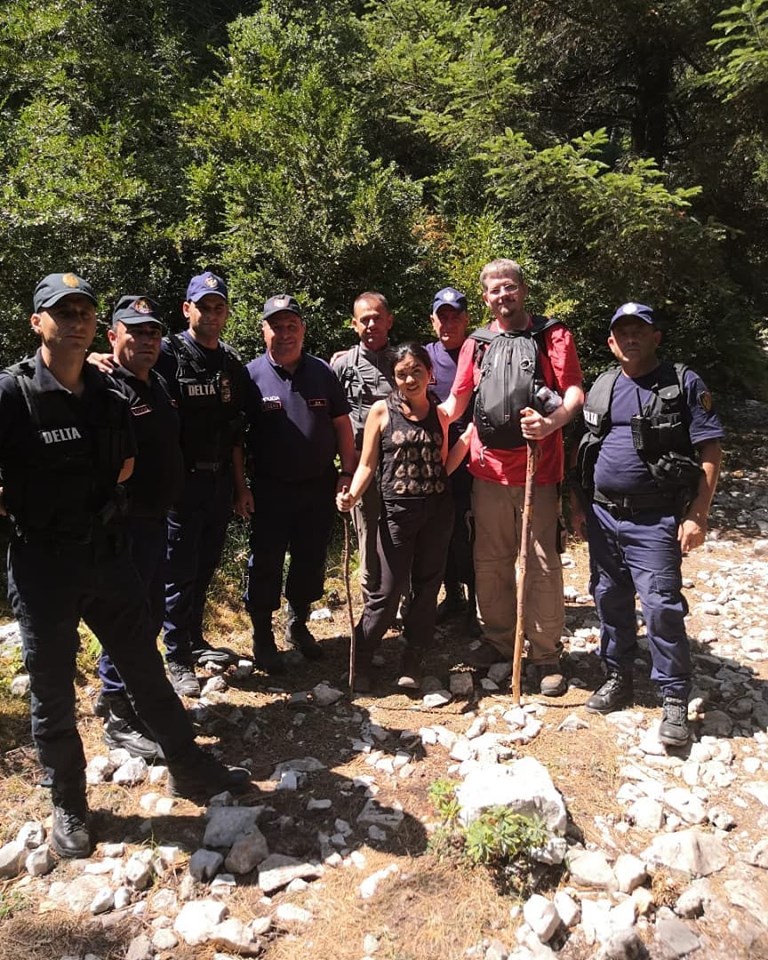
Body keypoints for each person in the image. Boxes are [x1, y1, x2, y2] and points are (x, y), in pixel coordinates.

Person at [0, 273, 249, 858]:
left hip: (107, 556)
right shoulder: (12, 394)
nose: (78, 319)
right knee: (53, 693)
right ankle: (69, 802)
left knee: (145, 668)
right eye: (64, 312)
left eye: (85, 310)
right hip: (43, 567)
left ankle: (187, 766)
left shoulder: (108, 394)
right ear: (38, 322)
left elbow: (130, 463)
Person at [573, 302, 723, 745]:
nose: (630, 338)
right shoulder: (601, 386)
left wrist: (698, 514)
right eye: (622, 332)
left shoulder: (682, 383)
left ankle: (674, 695)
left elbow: (710, 450)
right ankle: (618, 676)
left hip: (655, 517)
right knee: (609, 599)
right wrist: (577, 506)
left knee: (660, 606)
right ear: (611, 341)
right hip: (601, 514)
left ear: (656, 336)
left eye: (639, 330)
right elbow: (583, 450)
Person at [441, 259, 584, 696]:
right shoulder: (477, 343)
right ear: (485, 297)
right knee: (491, 561)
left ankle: (544, 653)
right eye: (494, 291)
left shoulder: (552, 336)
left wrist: (552, 422)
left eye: (510, 288)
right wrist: (409, 419)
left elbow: (574, 391)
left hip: (537, 471)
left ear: (523, 289)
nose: (503, 296)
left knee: (541, 563)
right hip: (486, 470)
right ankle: (501, 640)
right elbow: (456, 400)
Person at [337, 342, 462, 693]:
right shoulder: (381, 411)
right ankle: (361, 656)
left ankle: (413, 659)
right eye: (402, 373)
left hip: (438, 512)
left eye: (416, 371)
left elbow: (442, 462)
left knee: (426, 589)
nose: (410, 379)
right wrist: (352, 495)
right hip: (396, 512)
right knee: (386, 591)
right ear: (393, 377)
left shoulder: (439, 412)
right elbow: (367, 465)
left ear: (429, 373)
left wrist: (465, 444)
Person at [244, 295, 356, 674]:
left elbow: (342, 425)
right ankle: (262, 635)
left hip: (317, 486)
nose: (285, 333)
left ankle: (298, 623)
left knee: (310, 559)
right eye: (276, 326)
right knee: (266, 562)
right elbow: (233, 440)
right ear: (264, 330)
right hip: (270, 489)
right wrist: (239, 488)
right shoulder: (250, 376)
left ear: (303, 330)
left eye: (292, 326)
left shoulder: (323, 372)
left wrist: (347, 472)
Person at [93, 296, 185, 760]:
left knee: (147, 610)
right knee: (128, 615)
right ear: (113, 336)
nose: (146, 340)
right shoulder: (106, 386)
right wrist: (90, 360)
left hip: (156, 519)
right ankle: (117, 711)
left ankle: (130, 692)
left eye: (153, 332)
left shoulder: (159, 384)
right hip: (125, 522)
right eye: (135, 331)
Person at [154, 272, 253, 697]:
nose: (211, 314)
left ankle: (193, 641)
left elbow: (239, 427)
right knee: (178, 571)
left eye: (219, 307)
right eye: (204, 306)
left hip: (217, 483)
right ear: (187, 309)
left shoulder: (229, 361)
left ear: (226, 312)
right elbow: (124, 375)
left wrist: (239, 486)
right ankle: (175, 654)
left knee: (205, 565)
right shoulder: (167, 354)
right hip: (179, 483)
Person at [331, 292, 396, 605]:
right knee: (367, 532)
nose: (372, 324)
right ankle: (372, 600)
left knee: (398, 532)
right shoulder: (342, 366)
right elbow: (330, 416)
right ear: (354, 324)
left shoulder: (402, 363)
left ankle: (400, 595)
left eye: (377, 317)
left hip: (398, 468)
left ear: (389, 321)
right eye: (364, 319)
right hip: (360, 465)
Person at [424, 287, 478, 633]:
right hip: (436, 459)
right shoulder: (425, 357)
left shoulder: (481, 351)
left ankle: (478, 604)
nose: (449, 322)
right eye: (442, 316)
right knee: (440, 530)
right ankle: (452, 594)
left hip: (476, 457)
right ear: (433, 321)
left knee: (473, 532)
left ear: (466, 319)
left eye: (455, 315)